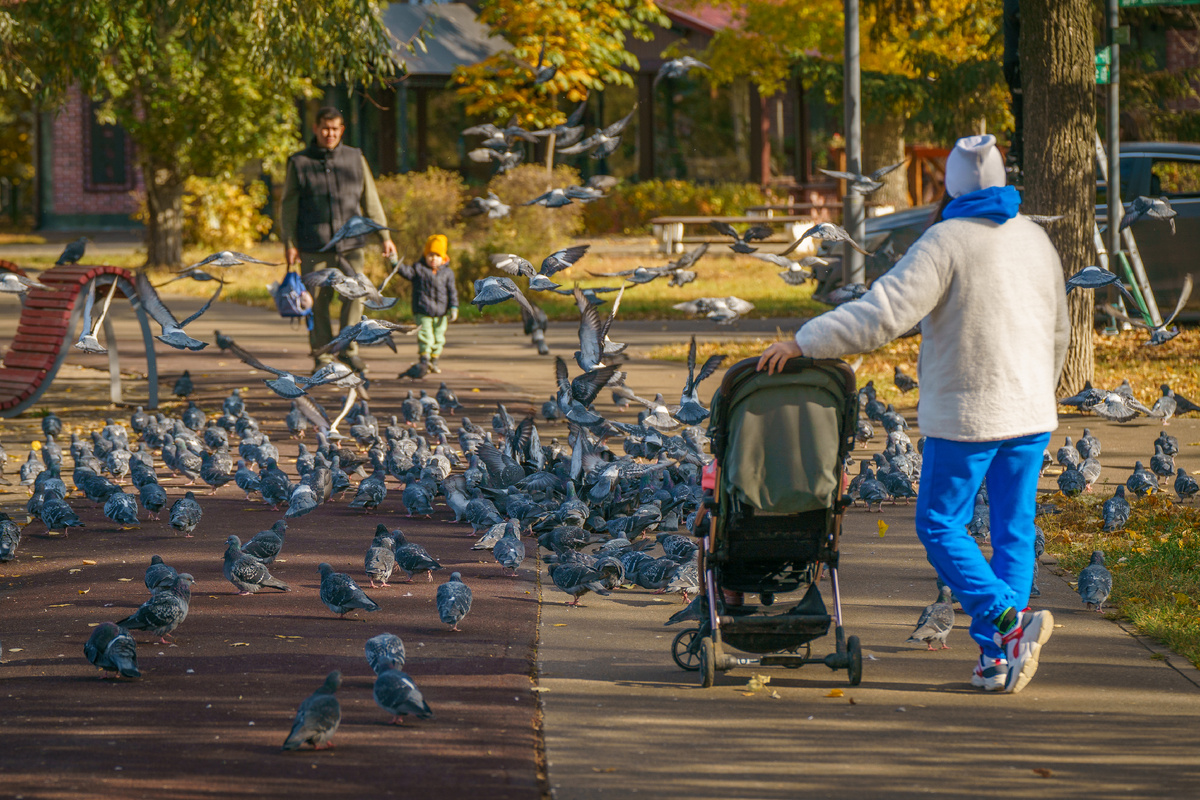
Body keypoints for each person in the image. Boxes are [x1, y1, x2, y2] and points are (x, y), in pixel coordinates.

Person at [758, 134, 1068, 694]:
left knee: (939, 523)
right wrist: (1041, 390)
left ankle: (1008, 625)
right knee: (1014, 532)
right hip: (1030, 411)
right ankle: (998, 660)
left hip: (970, 415)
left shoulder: (945, 240)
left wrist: (807, 341)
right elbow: (1059, 330)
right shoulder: (1036, 238)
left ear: (951, 184)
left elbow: (883, 313)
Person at [281, 106, 398, 372]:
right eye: (325, 128)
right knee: (316, 303)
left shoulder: (355, 158)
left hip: (352, 245)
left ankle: (348, 350)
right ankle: (322, 357)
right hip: (314, 245)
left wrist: (384, 235)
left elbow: (371, 200)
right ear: (315, 129)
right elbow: (288, 207)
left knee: (355, 297)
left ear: (342, 130)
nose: (329, 134)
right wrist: (289, 244)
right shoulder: (299, 162)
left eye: (335, 129)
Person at [394, 234, 459, 374]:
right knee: (426, 336)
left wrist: (454, 307)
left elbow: (452, 292)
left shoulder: (448, 273)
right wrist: (395, 263)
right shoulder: (419, 269)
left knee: (439, 337)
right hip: (423, 310)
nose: (433, 258)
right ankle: (424, 360)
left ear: (443, 257)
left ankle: (434, 360)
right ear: (425, 255)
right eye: (430, 255)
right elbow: (406, 272)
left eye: (437, 255)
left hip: (441, 312)